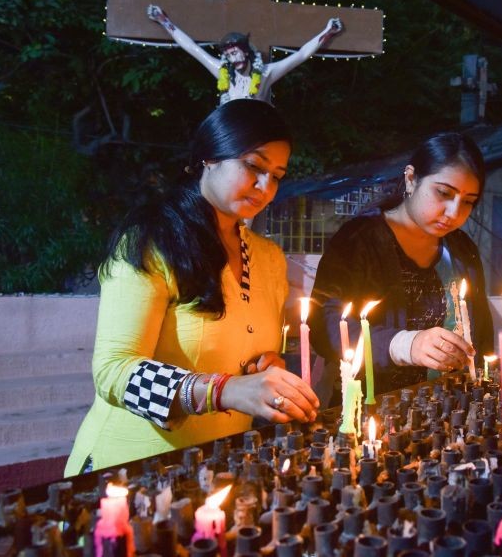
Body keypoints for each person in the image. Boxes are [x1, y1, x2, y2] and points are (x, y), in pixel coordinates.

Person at [65, 99, 319, 475]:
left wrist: (267, 366)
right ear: (210, 158)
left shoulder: (268, 258)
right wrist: (224, 390)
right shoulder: (152, 241)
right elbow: (113, 371)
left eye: (277, 175)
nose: (265, 186)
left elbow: (252, 352)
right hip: (131, 469)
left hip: (218, 465)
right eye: (253, 166)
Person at [310, 133, 493, 399]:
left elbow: (481, 334)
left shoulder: (462, 250)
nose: (454, 213)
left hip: (450, 408)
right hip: (373, 412)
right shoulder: (360, 240)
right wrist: (405, 344)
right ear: (411, 178)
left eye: (468, 201)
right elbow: (323, 327)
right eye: (443, 193)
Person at [147, 4, 343, 104]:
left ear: (247, 53)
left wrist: (327, 32)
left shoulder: (266, 73)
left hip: (255, 130)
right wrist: (164, 21)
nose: (235, 59)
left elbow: (300, 56)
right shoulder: (221, 70)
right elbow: (192, 48)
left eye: (237, 53)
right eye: (230, 55)